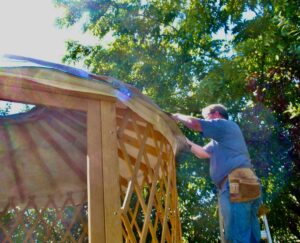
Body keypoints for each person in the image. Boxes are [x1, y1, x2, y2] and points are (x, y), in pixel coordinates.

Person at [172, 104, 261, 243]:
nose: (206, 120)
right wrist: (182, 139)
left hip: (237, 181)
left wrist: (177, 116)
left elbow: (195, 124)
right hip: (240, 182)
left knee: (237, 236)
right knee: (248, 235)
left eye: (206, 117)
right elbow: (202, 153)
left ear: (216, 114)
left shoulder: (224, 125)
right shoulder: (219, 141)